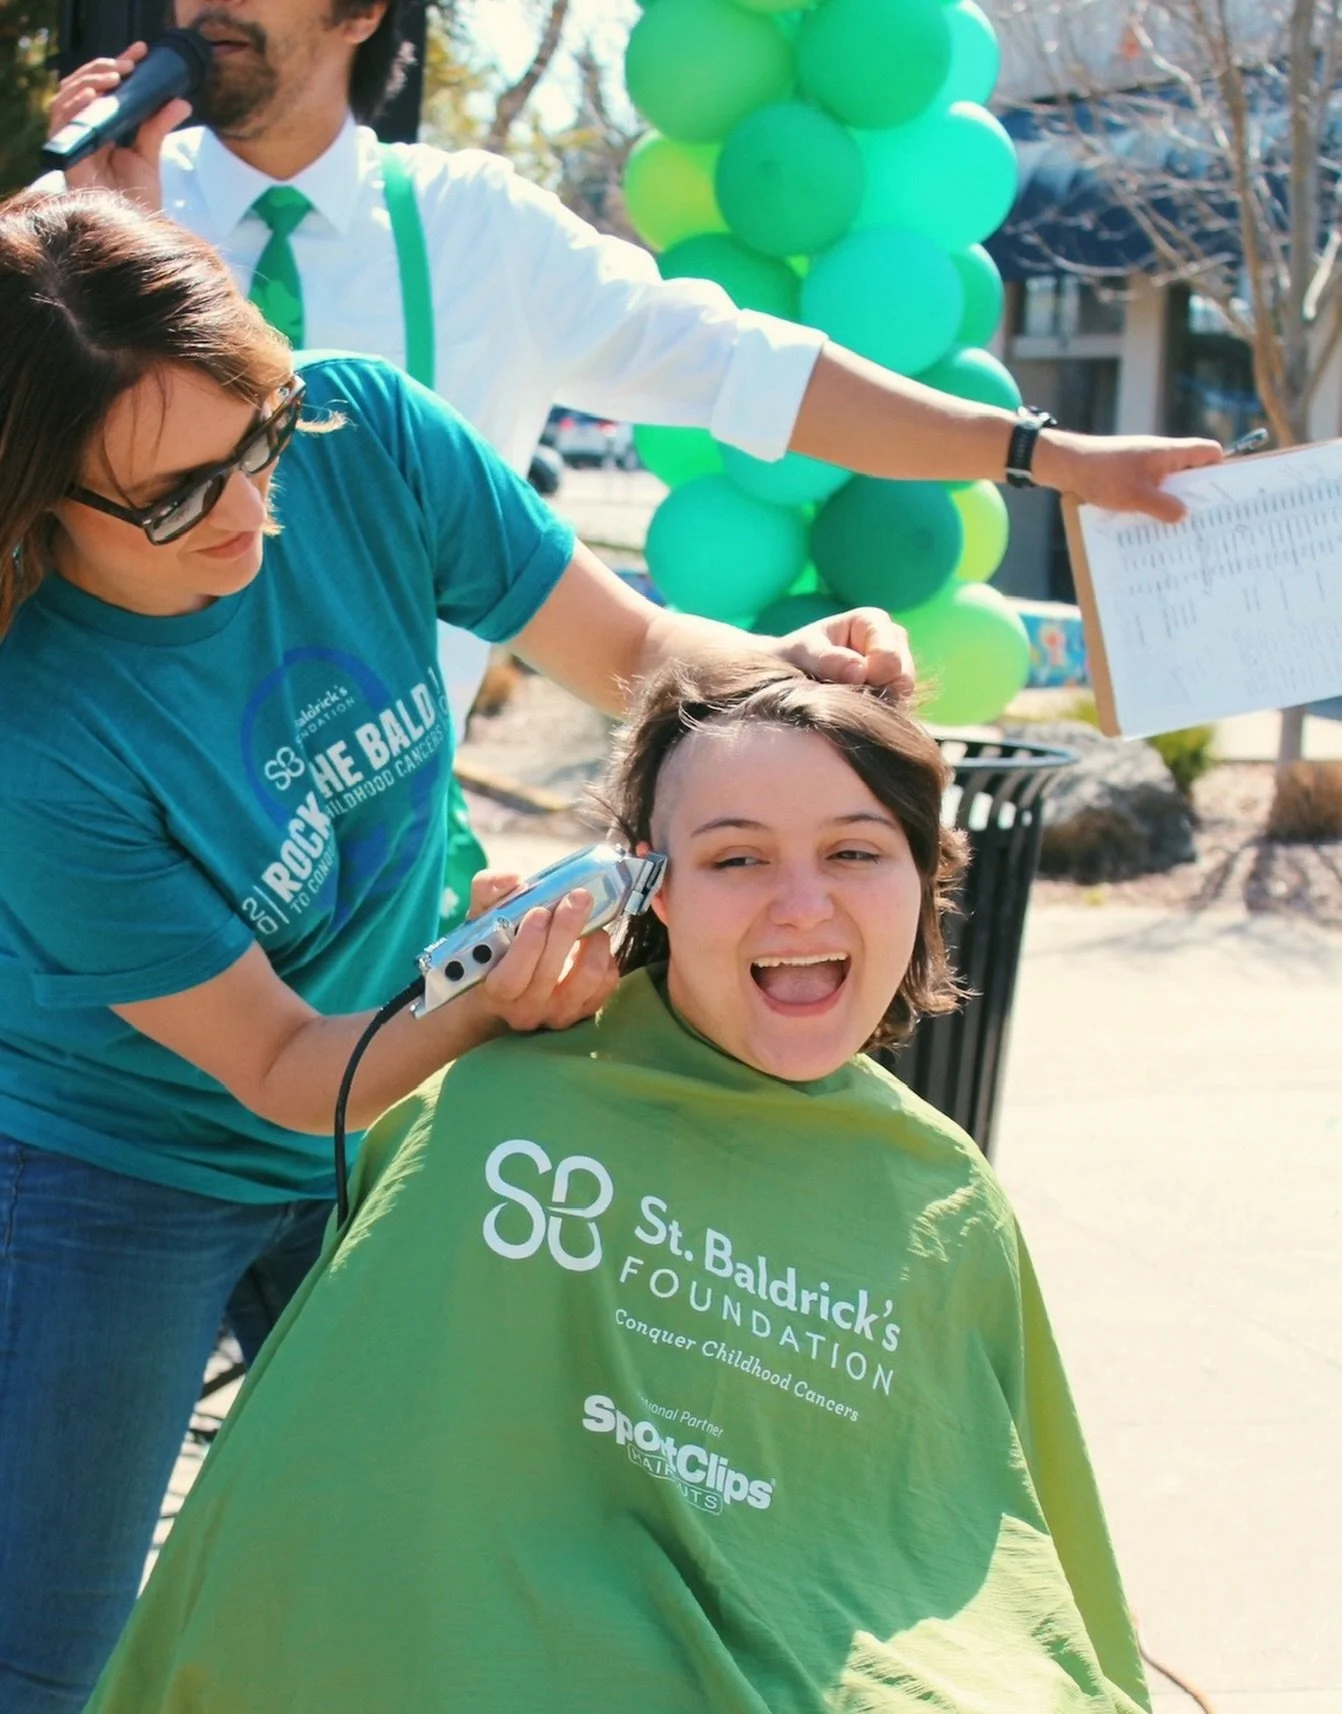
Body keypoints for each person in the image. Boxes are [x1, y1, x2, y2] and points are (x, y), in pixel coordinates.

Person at [0, 187, 917, 1714]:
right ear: (32, 498)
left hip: (381, 1116)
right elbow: (289, 1066)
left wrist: (790, 665)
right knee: (50, 1642)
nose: (250, 512)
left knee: (432, 1555)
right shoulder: (41, 737)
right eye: (174, 497)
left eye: (256, 441)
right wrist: (495, 1003)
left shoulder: (363, 433)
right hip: (120, 1170)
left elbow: (631, 652)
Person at [85, 654, 1152, 1714]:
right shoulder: (501, 1119)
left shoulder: (942, 1193)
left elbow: (992, 1551)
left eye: (854, 850)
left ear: (924, 877)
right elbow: (337, 1533)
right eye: (736, 859)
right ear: (649, 883)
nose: (800, 904)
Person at [41, 0, 1226, 912]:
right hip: (126, 852)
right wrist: (107, 244)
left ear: (362, 12)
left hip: (385, 871)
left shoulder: (474, 227)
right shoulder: (84, 214)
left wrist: (1045, 452)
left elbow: (746, 367)